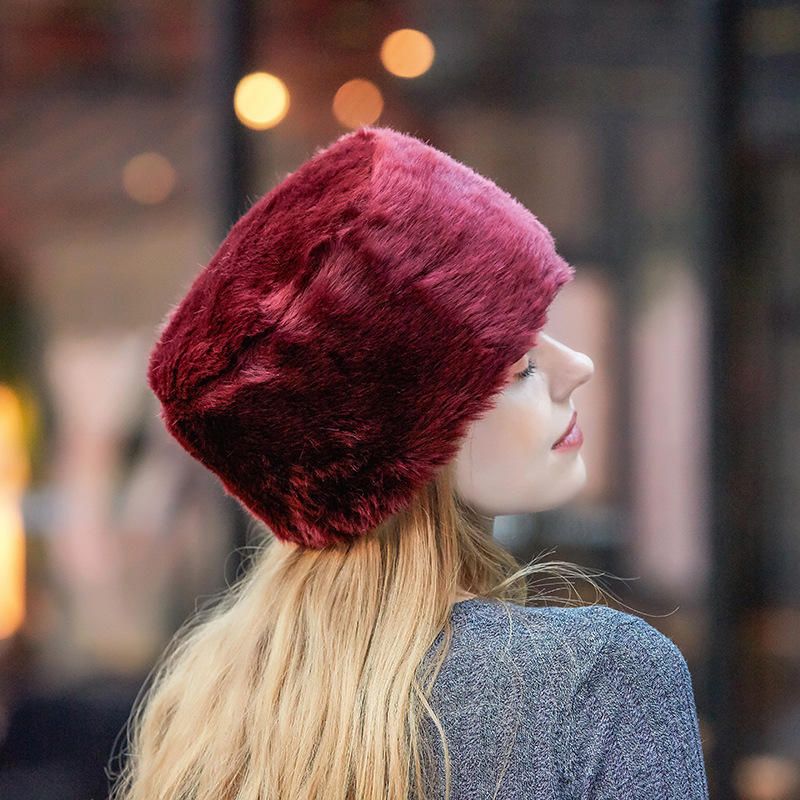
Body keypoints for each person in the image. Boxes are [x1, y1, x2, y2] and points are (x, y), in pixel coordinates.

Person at [110, 126, 710, 799]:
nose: (578, 367)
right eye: (515, 370)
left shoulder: (211, 700)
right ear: (401, 446)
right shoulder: (597, 679)